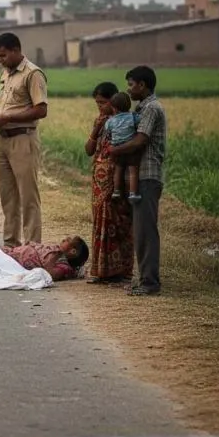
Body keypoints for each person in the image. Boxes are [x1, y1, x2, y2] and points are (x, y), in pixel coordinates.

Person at [0, 32, 48, 247]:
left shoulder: (33, 74)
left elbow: (40, 110)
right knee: (8, 197)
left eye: (3, 55)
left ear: (15, 50)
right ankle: (11, 245)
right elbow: (7, 106)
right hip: (3, 140)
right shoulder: (6, 73)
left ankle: (32, 247)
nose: (0, 60)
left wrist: (8, 117)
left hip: (23, 140)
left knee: (28, 197)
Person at [107, 65, 167, 296]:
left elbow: (140, 140)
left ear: (142, 85)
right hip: (140, 174)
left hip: (147, 174)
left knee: (145, 231)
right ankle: (145, 279)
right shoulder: (140, 109)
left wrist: (115, 150)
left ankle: (150, 283)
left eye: (131, 85)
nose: (129, 89)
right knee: (141, 230)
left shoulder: (151, 108)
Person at [84, 82, 134, 284]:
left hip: (118, 178)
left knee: (119, 222)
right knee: (101, 221)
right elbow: (88, 150)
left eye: (103, 103)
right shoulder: (100, 121)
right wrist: (95, 130)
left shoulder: (124, 122)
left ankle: (121, 270)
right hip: (99, 179)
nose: (100, 107)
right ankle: (102, 270)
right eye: (97, 103)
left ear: (114, 102)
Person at [0, 237, 89, 282]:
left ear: (73, 251)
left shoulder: (63, 267)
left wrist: (55, 255)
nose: (64, 239)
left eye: (68, 241)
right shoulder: (58, 253)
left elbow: (49, 274)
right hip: (15, 253)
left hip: (16, 260)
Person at [105, 92, 141, 201]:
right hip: (130, 149)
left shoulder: (110, 121)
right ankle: (133, 193)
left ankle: (116, 191)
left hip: (117, 149)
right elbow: (139, 122)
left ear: (114, 108)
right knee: (133, 171)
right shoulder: (133, 117)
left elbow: (108, 130)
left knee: (118, 170)